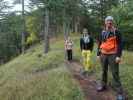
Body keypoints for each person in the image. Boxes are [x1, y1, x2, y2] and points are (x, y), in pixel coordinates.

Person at [97, 16, 125, 100]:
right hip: (103, 54)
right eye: (107, 21)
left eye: (110, 21)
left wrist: (118, 56)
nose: (109, 22)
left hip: (113, 55)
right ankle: (103, 85)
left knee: (115, 73)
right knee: (103, 71)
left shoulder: (117, 32)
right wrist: (98, 53)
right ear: (105, 22)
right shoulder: (103, 32)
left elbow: (120, 44)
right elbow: (100, 43)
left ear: (112, 22)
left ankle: (119, 92)